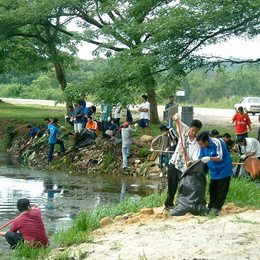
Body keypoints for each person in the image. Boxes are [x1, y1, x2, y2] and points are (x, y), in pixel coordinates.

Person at [165, 114, 203, 212]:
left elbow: (195, 156)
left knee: (182, 186)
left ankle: (180, 204)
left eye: (196, 131)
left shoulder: (197, 142)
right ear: (190, 128)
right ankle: (168, 204)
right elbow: (176, 120)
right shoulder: (184, 130)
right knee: (171, 185)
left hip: (185, 167)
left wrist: (191, 162)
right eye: (193, 130)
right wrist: (175, 117)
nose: (194, 133)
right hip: (174, 162)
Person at [196, 131, 233, 215]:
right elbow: (200, 158)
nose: (200, 146)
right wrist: (192, 162)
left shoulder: (217, 142)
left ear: (206, 141)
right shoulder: (202, 146)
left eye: (201, 144)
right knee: (212, 188)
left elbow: (220, 157)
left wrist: (209, 158)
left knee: (221, 189)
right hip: (213, 170)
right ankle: (211, 206)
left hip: (224, 168)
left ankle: (217, 208)